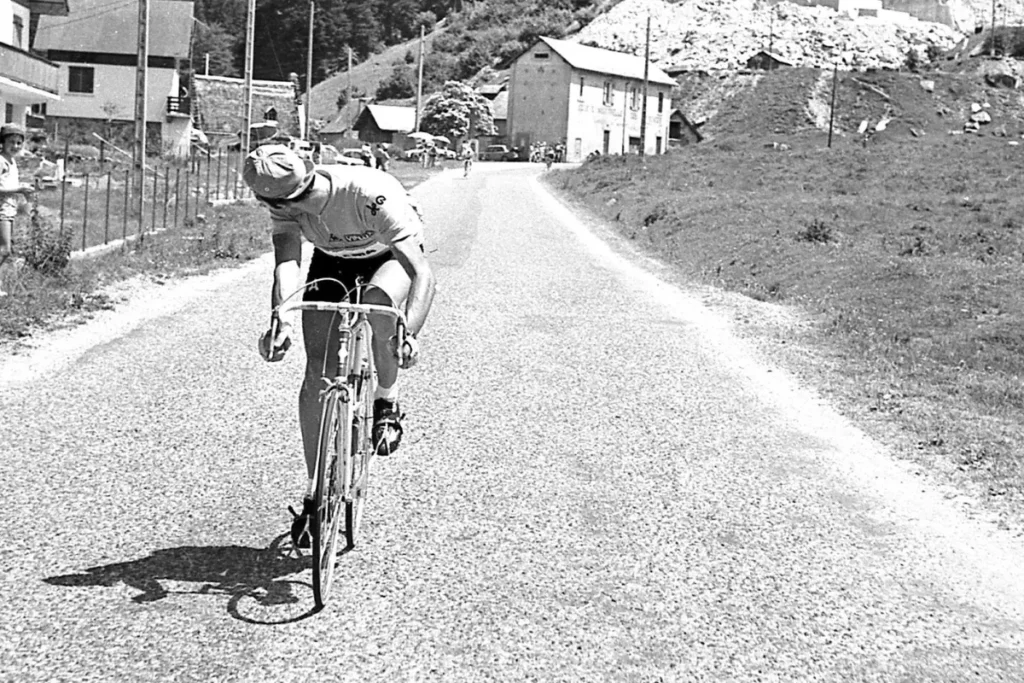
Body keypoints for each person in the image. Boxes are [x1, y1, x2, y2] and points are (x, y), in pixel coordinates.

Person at [243, 144, 436, 548]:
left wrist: (408, 332)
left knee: (379, 305)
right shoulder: (284, 202)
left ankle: (387, 400)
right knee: (318, 372)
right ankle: (317, 498)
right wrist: (282, 316)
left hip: (388, 257)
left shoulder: (368, 192)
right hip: (331, 261)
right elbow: (288, 262)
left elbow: (421, 273)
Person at [0, 123, 35, 297]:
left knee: (5, 248)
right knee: (5, 249)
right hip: (1, 210)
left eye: (18, 143)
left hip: (9, 208)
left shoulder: (11, 161)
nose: (15, 146)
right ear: (3, 142)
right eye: (11, 142)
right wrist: (19, 190)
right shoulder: (1, 161)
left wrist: (22, 190)